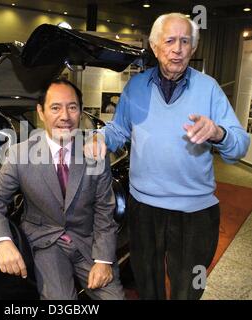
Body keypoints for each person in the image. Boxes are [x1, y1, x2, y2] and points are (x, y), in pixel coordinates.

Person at [85, 13, 250, 300]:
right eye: (170, 40)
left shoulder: (208, 88)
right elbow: (119, 129)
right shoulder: (136, 87)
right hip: (144, 207)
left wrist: (218, 133)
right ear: (154, 46)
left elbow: (239, 145)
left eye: (185, 41)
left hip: (195, 213)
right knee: (147, 284)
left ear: (193, 48)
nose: (178, 49)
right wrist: (101, 138)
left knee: (190, 287)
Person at [0, 78, 125, 300]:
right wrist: (2, 241)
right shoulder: (20, 155)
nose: (65, 116)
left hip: (88, 242)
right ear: (41, 112)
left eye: (72, 107)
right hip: (45, 243)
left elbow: (105, 211)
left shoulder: (94, 153)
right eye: (55, 108)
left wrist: (103, 261)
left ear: (81, 111)